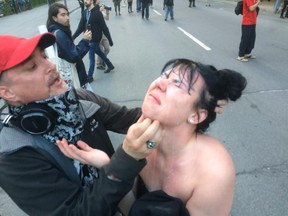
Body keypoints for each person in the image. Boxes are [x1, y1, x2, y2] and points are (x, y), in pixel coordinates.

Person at [55, 58, 247, 215]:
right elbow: (134, 209)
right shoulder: (143, 141)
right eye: (165, 75)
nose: (160, 83)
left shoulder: (214, 171)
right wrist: (108, 165)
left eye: (178, 84)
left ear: (196, 115)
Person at [0, 32, 162, 216]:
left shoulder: (80, 99)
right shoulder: (13, 155)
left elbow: (131, 119)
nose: (51, 66)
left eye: (45, 56)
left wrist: (172, 102)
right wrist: (126, 159)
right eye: (32, 66)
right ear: (8, 93)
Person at [46, 3, 91, 88]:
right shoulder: (59, 34)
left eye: (67, 14)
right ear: (54, 18)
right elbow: (74, 56)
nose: (67, 18)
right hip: (75, 79)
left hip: (72, 79)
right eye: (63, 15)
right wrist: (85, 40)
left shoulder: (58, 31)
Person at [73, 0, 115, 81]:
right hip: (87, 38)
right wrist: (72, 37)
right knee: (100, 53)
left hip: (95, 39)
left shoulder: (97, 13)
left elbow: (104, 28)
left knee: (91, 57)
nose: (85, 1)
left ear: (92, 1)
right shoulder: (85, 12)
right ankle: (110, 65)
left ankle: (90, 76)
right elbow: (80, 27)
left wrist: (110, 40)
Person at [96, 2, 111, 71]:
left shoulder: (100, 9)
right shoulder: (93, 10)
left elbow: (107, 18)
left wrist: (107, 11)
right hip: (97, 33)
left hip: (103, 33)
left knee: (107, 48)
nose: (99, 2)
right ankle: (99, 64)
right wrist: (100, 11)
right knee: (100, 50)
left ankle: (103, 60)